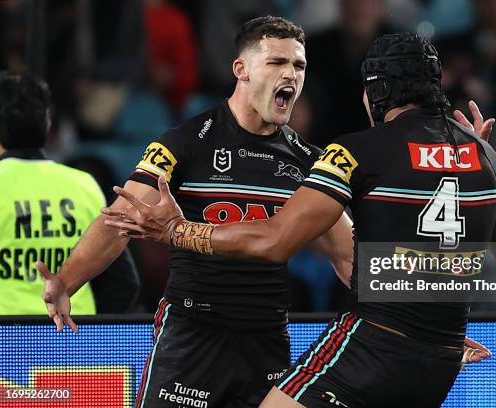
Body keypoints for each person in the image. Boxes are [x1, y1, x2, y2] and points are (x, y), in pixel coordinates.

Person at [105, 33, 496, 407]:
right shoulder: (484, 157)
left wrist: (178, 230)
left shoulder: (355, 150)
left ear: (376, 92)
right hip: (442, 360)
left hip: (371, 349)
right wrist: (485, 168)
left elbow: (276, 241)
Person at [40, 16, 354, 408]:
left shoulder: (311, 163)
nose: (290, 73)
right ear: (241, 69)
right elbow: (121, 217)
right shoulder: (186, 142)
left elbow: (349, 257)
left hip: (267, 340)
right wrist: (67, 281)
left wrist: (418, 320)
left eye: (299, 65)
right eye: (277, 62)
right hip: (192, 338)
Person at [0, 71, 139, 315]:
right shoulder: (84, 185)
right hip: (72, 342)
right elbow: (124, 284)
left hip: (5, 343)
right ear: (47, 125)